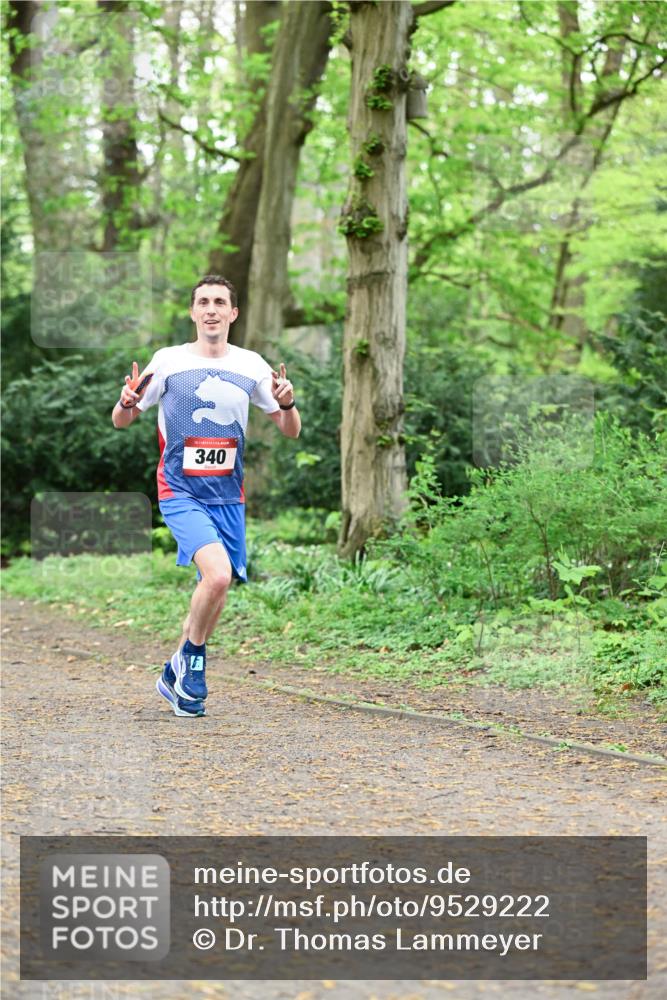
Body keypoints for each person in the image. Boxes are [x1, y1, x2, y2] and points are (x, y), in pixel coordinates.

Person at [111, 275, 300, 718]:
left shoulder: (253, 365)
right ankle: (193, 662)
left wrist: (288, 404)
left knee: (215, 587)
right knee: (216, 576)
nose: (211, 309)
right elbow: (123, 419)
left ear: (233, 313)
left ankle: (173, 674)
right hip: (178, 489)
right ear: (193, 312)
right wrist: (125, 401)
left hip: (229, 495)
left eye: (220, 302)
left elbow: (290, 430)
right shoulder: (169, 361)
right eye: (203, 302)